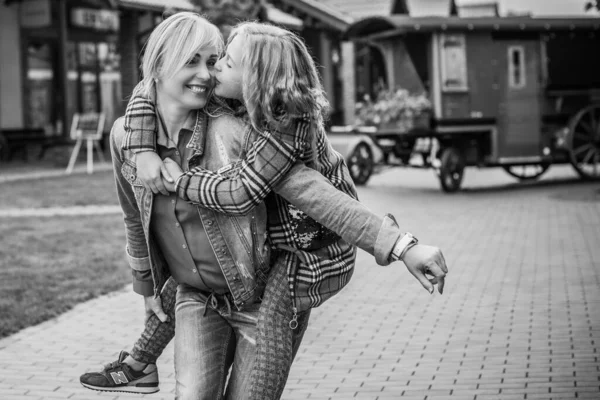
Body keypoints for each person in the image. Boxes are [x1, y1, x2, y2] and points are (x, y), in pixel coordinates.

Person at [80, 14, 447, 400]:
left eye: (216, 60)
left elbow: (314, 195)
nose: (208, 73)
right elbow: (134, 215)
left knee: (257, 378)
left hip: (288, 267)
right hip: (201, 290)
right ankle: (138, 365)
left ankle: (143, 366)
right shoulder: (128, 133)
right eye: (195, 61)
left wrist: (402, 246)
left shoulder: (245, 130)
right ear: (158, 66)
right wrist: (141, 154)